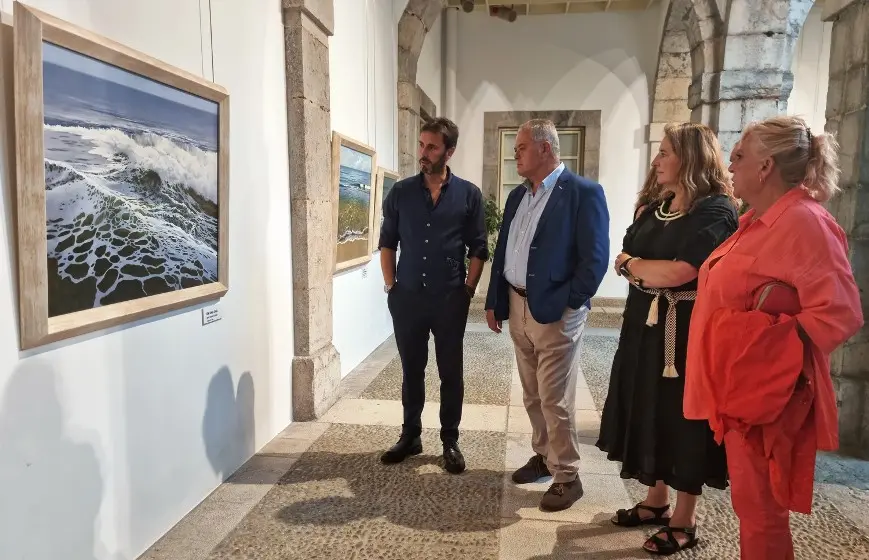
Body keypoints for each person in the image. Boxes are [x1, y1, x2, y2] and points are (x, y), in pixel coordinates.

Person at [684, 115, 864, 559]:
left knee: (762, 511)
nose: (730, 164)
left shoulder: (804, 222)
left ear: (766, 167)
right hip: (741, 389)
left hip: (766, 393)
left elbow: (840, 312)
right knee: (753, 505)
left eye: (740, 156)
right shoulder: (759, 219)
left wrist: (757, 342)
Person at [596, 122, 738, 555]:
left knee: (684, 416)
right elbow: (622, 253)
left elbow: (681, 272)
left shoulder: (717, 210)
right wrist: (638, 265)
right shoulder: (656, 205)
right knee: (648, 404)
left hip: (687, 329)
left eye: (664, 153)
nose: (656, 161)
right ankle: (656, 500)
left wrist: (634, 266)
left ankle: (684, 518)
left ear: (691, 158)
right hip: (643, 324)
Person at [485, 118, 610, 511]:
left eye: (521, 147)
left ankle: (568, 476)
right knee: (532, 393)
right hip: (518, 302)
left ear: (544, 149)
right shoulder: (517, 196)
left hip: (555, 309)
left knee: (555, 397)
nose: (515, 154)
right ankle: (543, 455)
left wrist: (571, 302)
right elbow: (504, 249)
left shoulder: (583, 193)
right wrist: (496, 300)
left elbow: (595, 259)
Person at [377, 117, 488, 475]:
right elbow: (387, 243)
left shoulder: (468, 194)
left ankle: (450, 440)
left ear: (449, 151)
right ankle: (411, 435)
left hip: (449, 300)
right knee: (412, 369)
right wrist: (391, 287)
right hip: (407, 298)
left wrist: (467, 290)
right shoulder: (401, 193)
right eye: (421, 145)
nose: (423, 153)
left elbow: (479, 248)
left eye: (431, 147)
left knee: (450, 372)